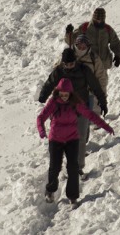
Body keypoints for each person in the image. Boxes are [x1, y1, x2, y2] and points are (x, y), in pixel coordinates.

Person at [37, 78, 114, 206]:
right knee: (55, 167)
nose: (64, 97)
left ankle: (72, 196)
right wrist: (42, 131)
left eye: (66, 95)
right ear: (58, 93)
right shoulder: (54, 103)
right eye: (62, 95)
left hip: (72, 139)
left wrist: (106, 126)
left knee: (73, 167)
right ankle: (50, 190)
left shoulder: (76, 103)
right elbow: (41, 117)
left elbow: (91, 115)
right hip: (55, 139)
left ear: (70, 93)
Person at [38, 48, 108, 178]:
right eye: (66, 64)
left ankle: (78, 167)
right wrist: (43, 95)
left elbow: (95, 86)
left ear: (75, 61)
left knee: (80, 138)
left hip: (81, 107)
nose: (69, 67)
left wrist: (102, 102)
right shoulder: (59, 71)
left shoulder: (83, 69)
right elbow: (49, 83)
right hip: (62, 109)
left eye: (71, 64)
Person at [65, 7, 120, 73]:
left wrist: (118, 55)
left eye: (100, 20)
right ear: (93, 17)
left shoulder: (108, 30)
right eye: (96, 19)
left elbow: (116, 43)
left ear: (103, 19)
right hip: (87, 63)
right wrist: (68, 33)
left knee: (102, 82)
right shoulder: (85, 27)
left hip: (103, 64)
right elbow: (70, 40)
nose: (98, 21)